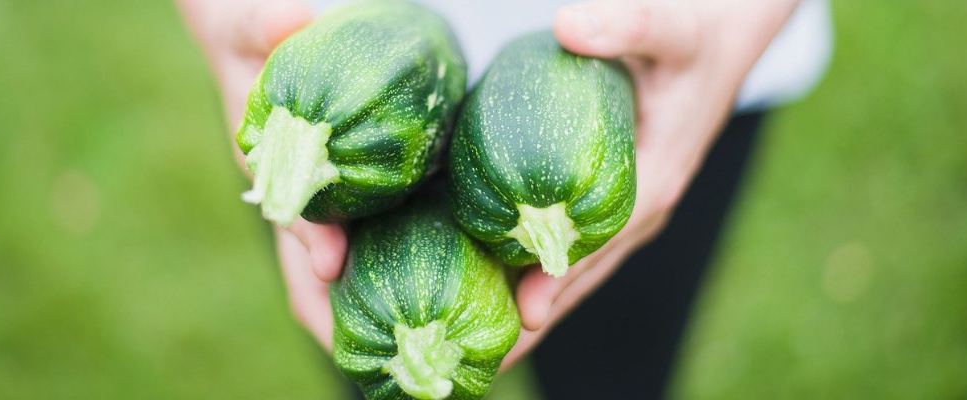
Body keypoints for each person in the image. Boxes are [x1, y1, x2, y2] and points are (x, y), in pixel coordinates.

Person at [176, 0, 832, 397]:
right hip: (332, 55)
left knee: (615, 381)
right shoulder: (307, 116)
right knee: (384, 375)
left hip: (672, 51)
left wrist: (738, 25)